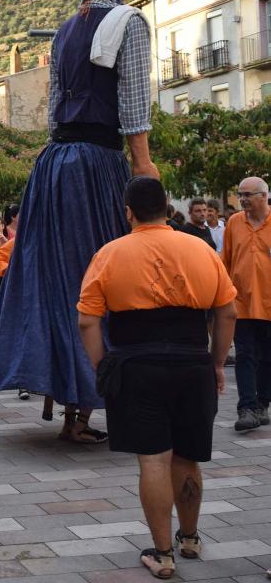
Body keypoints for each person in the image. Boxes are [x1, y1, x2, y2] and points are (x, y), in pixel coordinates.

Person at [0, 0, 157, 444]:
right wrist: (145, 169)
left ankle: (67, 402)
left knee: (55, 279)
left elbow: (57, 106)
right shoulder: (129, 22)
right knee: (105, 279)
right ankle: (92, 401)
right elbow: (132, 109)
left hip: (53, 166)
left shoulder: (64, 31)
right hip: (97, 166)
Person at [78, 176, 237, 579]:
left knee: (153, 459)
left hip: (136, 364)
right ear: (167, 208)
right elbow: (227, 312)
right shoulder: (200, 248)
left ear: (128, 211)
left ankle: (162, 554)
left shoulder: (110, 254)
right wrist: (217, 363)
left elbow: (87, 321)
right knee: (187, 455)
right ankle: (190, 538)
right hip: (192, 361)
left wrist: (103, 368)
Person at [222, 176, 271, 433]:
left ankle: (263, 403)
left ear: (264, 196)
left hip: (269, 304)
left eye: (247, 195)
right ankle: (247, 408)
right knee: (245, 355)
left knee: (267, 357)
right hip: (241, 303)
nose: (242, 199)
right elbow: (226, 261)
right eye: (240, 194)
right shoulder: (234, 223)